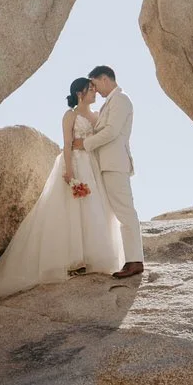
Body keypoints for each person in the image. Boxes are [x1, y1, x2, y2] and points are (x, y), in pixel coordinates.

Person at [0, 76, 123, 299]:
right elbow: (67, 144)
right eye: (90, 89)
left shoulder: (97, 115)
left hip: (92, 164)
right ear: (80, 93)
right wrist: (69, 171)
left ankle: (93, 258)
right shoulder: (70, 115)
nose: (94, 92)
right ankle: (74, 260)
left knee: (94, 207)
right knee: (72, 208)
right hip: (76, 163)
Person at [74, 65, 144, 278]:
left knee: (125, 211)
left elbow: (112, 132)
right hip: (105, 165)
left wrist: (84, 143)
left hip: (114, 164)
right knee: (116, 212)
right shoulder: (108, 104)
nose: (95, 89)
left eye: (94, 84)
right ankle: (128, 259)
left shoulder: (121, 100)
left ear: (104, 79)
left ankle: (135, 261)